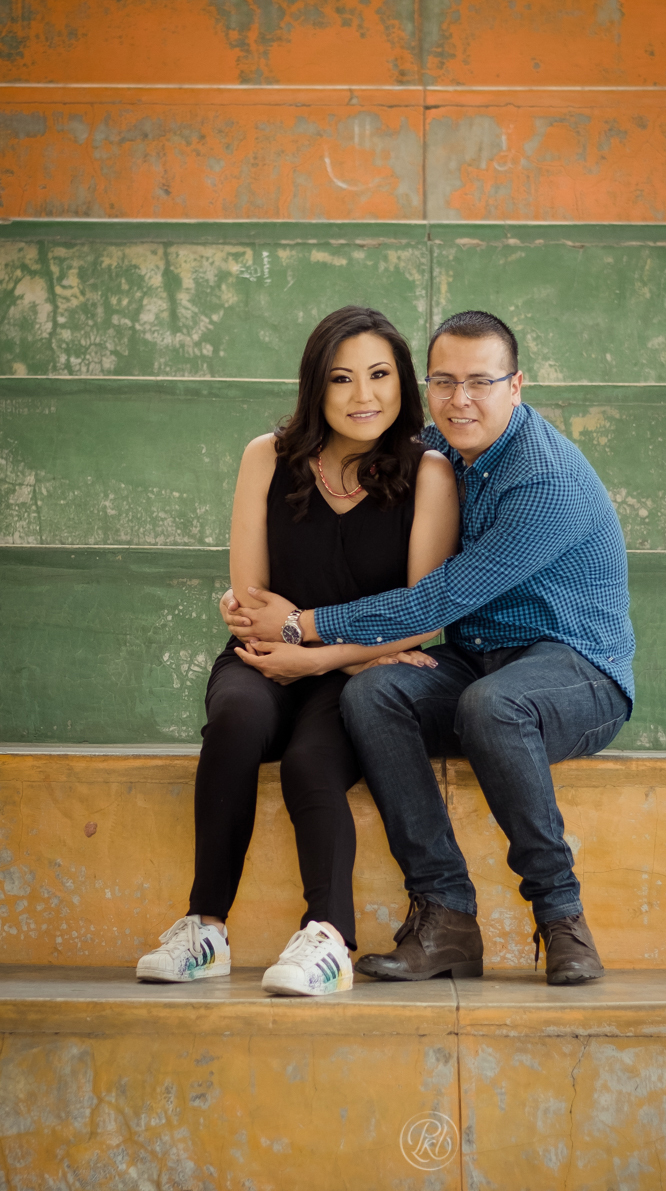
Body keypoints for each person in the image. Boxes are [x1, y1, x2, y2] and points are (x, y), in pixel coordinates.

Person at [219, 310, 635, 987]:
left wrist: (299, 625)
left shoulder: (542, 480)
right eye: (443, 381)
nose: (459, 399)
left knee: (494, 706)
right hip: (478, 664)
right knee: (377, 691)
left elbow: (433, 603)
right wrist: (243, 599)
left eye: (480, 382)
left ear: (516, 385)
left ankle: (562, 915)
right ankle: (444, 915)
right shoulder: (441, 445)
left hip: (576, 668)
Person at [136, 306, 459, 994]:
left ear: (403, 383)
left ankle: (328, 942)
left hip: (349, 675)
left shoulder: (428, 472)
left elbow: (420, 615)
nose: (363, 395)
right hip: (264, 659)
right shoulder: (267, 456)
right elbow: (251, 598)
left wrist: (319, 653)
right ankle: (206, 929)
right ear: (316, 385)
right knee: (236, 720)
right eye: (342, 378)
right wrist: (284, 638)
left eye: (379, 375)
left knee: (311, 762)